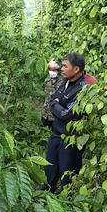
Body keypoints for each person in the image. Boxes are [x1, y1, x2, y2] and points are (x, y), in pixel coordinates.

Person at [43, 52, 92, 193]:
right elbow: (53, 97)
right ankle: (48, 190)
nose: (62, 69)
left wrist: (55, 105)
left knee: (68, 170)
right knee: (50, 165)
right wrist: (57, 104)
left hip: (71, 137)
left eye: (65, 66)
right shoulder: (65, 82)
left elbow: (66, 114)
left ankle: (67, 199)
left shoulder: (83, 89)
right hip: (57, 132)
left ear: (76, 69)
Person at [42, 60, 64, 127]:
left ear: (58, 71)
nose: (52, 72)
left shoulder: (62, 81)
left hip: (56, 112)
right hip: (46, 112)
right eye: (51, 70)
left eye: (54, 70)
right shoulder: (47, 80)